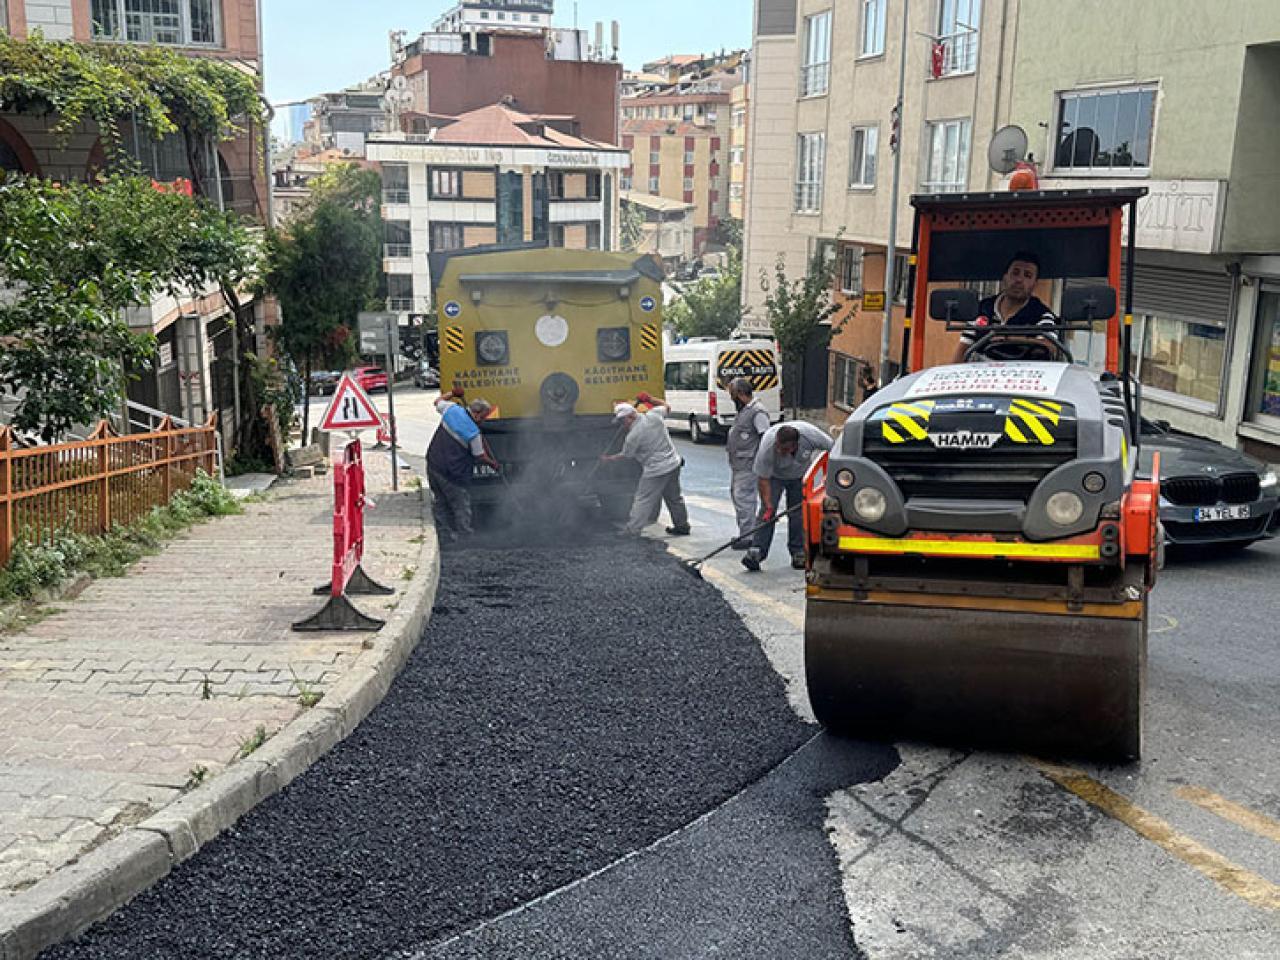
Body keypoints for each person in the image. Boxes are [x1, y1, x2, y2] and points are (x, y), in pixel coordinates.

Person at [743, 422, 833, 572]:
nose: (779, 450)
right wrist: (768, 503)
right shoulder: (768, 446)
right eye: (778, 446)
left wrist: (830, 475)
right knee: (767, 513)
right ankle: (757, 551)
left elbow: (835, 450)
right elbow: (763, 479)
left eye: (784, 449)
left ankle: (798, 552)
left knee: (797, 514)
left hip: (799, 477)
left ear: (795, 445)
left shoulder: (811, 436)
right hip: (774, 477)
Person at [602, 392, 690, 537]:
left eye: (624, 421)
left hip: (655, 470)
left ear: (631, 416)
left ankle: (632, 530)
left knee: (643, 499)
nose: (623, 425)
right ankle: (682, 526)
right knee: (674, 497)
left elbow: (626, 455)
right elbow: (666, 406)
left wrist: (609, 459)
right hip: (673, 463)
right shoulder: (654, 415)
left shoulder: (633, 436)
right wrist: (650, 399)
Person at [952, 250, 1059, 363]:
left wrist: (1008, 339)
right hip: (981, 375)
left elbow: (1049, 346)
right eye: (1015, 273)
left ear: (1035, 284)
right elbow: (963, 349)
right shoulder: (981, 309)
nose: (1019, 280)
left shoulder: (1041, 314)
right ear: (1005, 276)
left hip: (1024, 375)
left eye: (1027, 275)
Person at [426, 387, 497, 542]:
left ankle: (445, 534)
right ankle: (465, 535)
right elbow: (480, 456)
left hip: (433, 464)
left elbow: (437, 401)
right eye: (483, 417)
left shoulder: (451, 409)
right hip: (453, 473)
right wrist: (493, 464)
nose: (484, 421)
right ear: (477, 414)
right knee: (460, 504)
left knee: (440, 501)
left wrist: (452, 393)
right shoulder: (473, 433)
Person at [726, 377, 772, 549]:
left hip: (749, 465)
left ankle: (748, 536)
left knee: (744, 499)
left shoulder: (757, 412)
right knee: (739, 498)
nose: (732, 399)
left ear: (740, 394)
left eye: (733, 395)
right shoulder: (745, 410)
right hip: (740, 464)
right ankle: (745, 533)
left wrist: (762, 464)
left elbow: (765, 439)